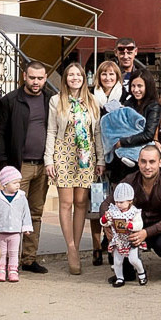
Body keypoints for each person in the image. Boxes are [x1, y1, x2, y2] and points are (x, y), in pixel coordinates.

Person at [0, 59, 54, 274]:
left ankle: (29, 259)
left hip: (43, 165)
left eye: (40, 78)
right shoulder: (11, 100)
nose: (36, 82)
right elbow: (1, 133)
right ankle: (10, 261)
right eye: (32, 77)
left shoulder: (51, 100)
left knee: (35, 213)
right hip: (18, 166)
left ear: (45, 78)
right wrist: (3, 164)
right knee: (13, 214)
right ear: (24, 76)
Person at [44, 58, 98, 276]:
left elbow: (98, 133)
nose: (75, 78)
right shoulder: (57, 101)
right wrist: (49, 159)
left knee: (81, 202)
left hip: (86, 156)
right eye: (71, 75)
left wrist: (101, 159)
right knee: (66, 203)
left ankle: (75, 241)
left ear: (84, 79)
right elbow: (51, 131)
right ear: (66, 79)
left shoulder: (92, 100)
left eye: (78, 75)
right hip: (64, 154)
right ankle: (72, 248)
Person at [125, 142, 161, 280]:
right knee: (118, 242)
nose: (147, 166)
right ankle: (126, 271)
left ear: (160, 162)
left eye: (152, 162)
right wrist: (108, 226)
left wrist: (146, 233)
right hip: (136, 227)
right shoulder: (129, 181)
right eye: (143, 161)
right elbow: (107, 203)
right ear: (138, 162)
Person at [89, 56, 127, 262]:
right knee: (96, 202)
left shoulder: (125, 96)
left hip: (118, 157)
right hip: (96, 155)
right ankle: (96, 247)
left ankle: (114, 242)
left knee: (116, 201)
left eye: (111, 73)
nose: (107, 77)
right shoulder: (91, 97)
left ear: (117, 76)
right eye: (104, 73)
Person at [107, 73, 157, 191]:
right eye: (133, 86)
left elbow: (149, 134)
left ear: (147, 87)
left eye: (140, 86)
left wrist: (123, 142)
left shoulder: (153, 106)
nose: (136, 90)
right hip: (121, 156)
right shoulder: (128, 104)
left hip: (140, 152)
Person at [0, 166, 32, 284]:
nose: (18, 185)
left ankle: (13, 270)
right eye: (14, 182)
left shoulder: (21, 197)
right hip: (1, 230)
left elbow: (25, 213)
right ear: (5, 184)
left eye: (19, 182)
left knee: (13, 252)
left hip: (15, 232)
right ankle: (1, 270)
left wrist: (26, 227)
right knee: (1, 252)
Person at [101, 182, 146, 288]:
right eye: (116, 202)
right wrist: (105, 219)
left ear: (130, 200)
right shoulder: (113, 210)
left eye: (121, 202)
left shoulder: (134, 212)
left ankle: (142, 274)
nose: (118, 204)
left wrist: (131, 225)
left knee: (133, 259)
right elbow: (105, 222)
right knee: (117, 261)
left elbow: (140, 224)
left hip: (131, 240)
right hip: (118, 240)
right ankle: (119, 277)